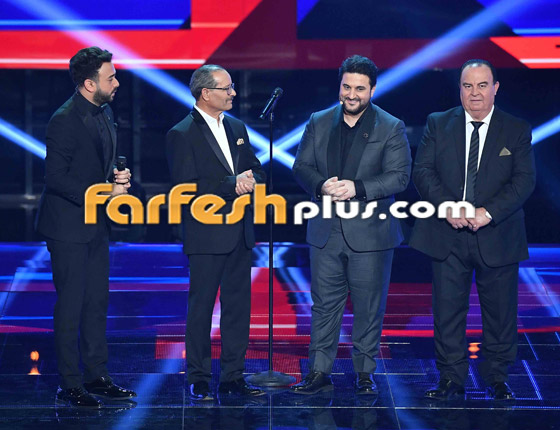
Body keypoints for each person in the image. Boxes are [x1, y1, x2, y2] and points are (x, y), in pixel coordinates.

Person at [409, 59, 536, 401]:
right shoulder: (438, 123)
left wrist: (487, 213)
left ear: (495, 88)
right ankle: (451, 378)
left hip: (498, 234)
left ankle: (497, 378)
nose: (475, 93)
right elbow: (423, 172)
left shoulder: (516, 128)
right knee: (447, 313)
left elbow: (524, 181)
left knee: (501, 314)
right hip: (447, 234)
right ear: (460, 89)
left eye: (482, 85)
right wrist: (448, 206)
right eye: (468, 86)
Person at [291, 55, 411, 395]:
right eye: (347, 87)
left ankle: (364, 373)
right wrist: (321, 185)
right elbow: (301, 167)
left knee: (369, 307)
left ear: (372, 90)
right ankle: (319, 371)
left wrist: (356, 188)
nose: (352, 95)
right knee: (323, 306)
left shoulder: (390, 126)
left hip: (371, 233)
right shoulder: (318, 121)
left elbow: (400, 176)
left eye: (359, 88)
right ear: (340, 86)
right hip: (325, 230)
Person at [35, 47, 136, 408]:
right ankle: (69, 383)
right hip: (68, 226)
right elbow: (56, 178)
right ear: (90, 84)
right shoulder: (64, 119)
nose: (117, 82)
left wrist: (117, 178)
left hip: (96, 223)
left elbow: (97, 165)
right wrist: (106, 190)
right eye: (111, 77)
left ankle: (97, 376)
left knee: (96, 302)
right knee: (71, 305)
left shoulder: (105, 111)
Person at [166, 64, 266, 401]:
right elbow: (185, 187)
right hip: (206, 233)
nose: (233, 93)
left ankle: (233, 377)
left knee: (238, 309)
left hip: (239, 231)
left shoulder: (237, 127)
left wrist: (252, 179)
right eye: (227, 88)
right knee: (202, 308)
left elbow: (255, 168)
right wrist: (230, 184)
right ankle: (198, 378)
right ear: (206, 93)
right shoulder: (182, 133)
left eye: (232, 86)